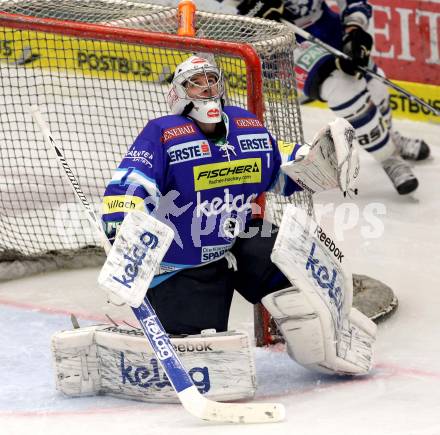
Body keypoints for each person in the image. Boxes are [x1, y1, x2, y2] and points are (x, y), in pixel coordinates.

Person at [102, 55, 376, 376]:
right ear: (178, 93)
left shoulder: (245, 126)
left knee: (293, 261)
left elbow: (280, 165)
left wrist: (320, 159)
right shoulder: (164, 133)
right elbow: (133, 179)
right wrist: (121, 221)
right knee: (201, 354)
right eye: (196, 83)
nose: (206, 89)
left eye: (211, 81)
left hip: (237, 239)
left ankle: (323, 343)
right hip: (180, 262)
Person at [220, 0, 431, 195]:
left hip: (325, 26)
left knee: (375, 83)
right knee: (343, 88)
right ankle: (389, 158)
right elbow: (209, 13)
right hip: (282, 42)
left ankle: (389, 136)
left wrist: (354, 28)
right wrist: (252, 15)